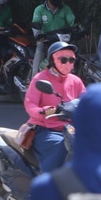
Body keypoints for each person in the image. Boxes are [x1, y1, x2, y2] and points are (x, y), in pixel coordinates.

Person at [23, 41, 87, 172]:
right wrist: (43, 111)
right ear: (53, 60)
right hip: (45, 129)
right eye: (63, 59)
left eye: (71, 60)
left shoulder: (76, 80)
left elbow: (86, 100)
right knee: (61, 146)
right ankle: (48, 182)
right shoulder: (40, 78)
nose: (68, 63)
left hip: (70, 128)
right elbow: (30, 103)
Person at [30, 0, 78, 76]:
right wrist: (38, 35)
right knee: (39, 51)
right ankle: (34, 80)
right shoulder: (39, 10)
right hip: (44, 40)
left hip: (61, 40)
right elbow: (36, 24)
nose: (60, 0)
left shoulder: (65, 9)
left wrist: (79, 29)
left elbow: (73, 22)